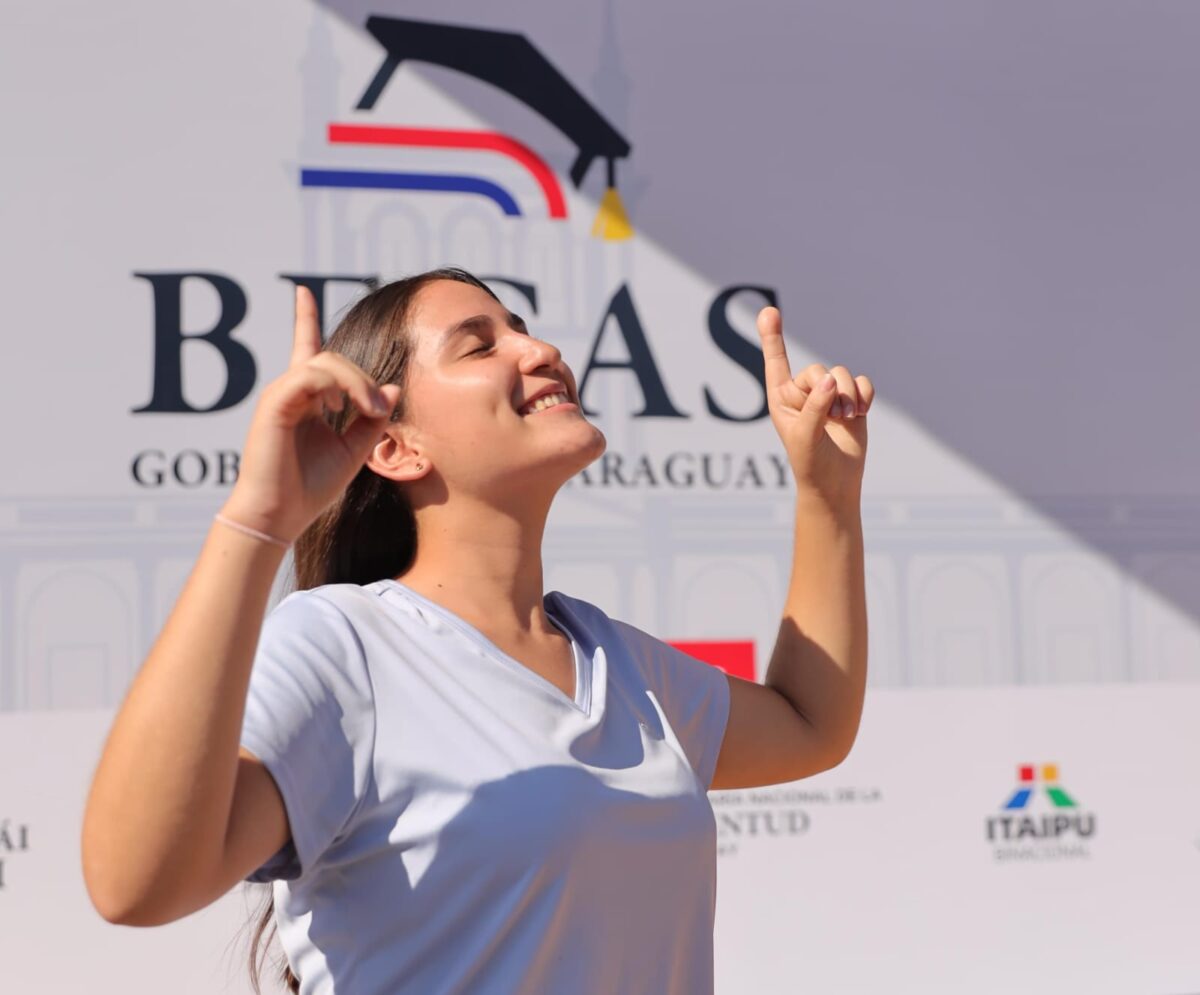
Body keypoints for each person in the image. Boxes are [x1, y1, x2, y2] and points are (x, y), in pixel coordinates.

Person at [80, 267, 872, 994]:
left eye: (521, 327)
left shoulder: (619, 659)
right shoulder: (346, 644)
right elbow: (134, 882)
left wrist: (827, 494)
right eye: (479, 344)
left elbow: (811, 722)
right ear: (393, 446)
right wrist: (258, 520)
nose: (540, 349)